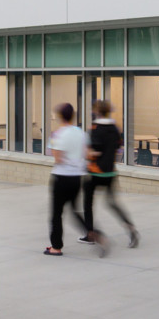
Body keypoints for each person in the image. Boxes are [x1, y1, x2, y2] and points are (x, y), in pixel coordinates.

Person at [45, 102, 104, 257]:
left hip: (61, 177)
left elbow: (57, 158)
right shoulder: (81, 133)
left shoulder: (57, 134)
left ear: (59, 116)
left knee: (56, 214)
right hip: (77, 178)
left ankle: (56, 247)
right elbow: (88, 154)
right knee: (73, 209)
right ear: (72, 116)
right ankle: (93, 233)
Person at [82, 100, 139, 248]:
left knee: (87, 204)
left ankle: (91, 234)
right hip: (110, 172)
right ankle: (131, 229)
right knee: (112, 203)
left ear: (97, 112)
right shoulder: (115, 128)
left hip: (95, 172)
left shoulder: (95, 128)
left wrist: (88, 154)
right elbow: (118, 147)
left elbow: (96, 151)